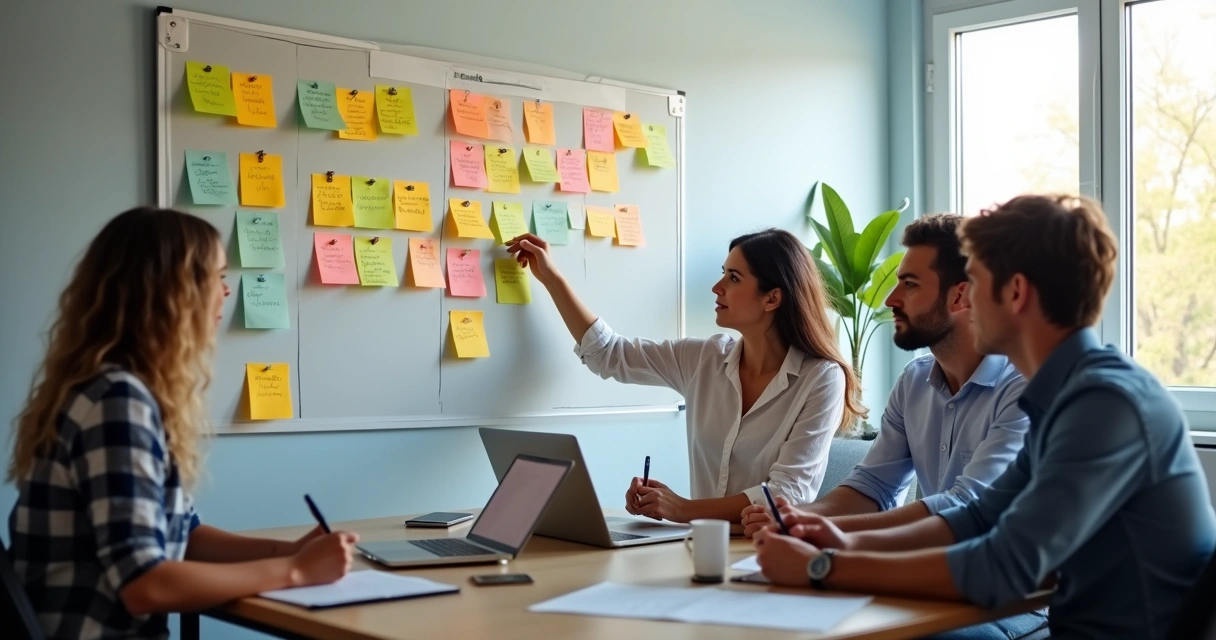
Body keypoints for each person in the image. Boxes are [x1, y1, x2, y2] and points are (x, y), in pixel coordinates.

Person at [753, 195, 1216, 639]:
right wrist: (841, 540)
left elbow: (1002, 565)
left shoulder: (1105, 403)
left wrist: (824, 567)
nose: (965, 302)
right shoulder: (1068, 394)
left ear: (1015, 292)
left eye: (973, 281)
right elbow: (977, 516)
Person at [7, 208, 358, 639]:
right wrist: (295, 571)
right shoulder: (116, 400)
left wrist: (291, 552)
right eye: (217, 276)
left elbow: (186, 536)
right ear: (174, 291)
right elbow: (145, 585)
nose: (226, 292)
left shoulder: (120, 392)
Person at [506, 228, 864, 523]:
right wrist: (551, 278)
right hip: (701, 549)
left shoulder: (822, 378)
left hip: (769, 554)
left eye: (733, 278)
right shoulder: (705, 357)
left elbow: (788, 492)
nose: (717, 287)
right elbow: (608, 355)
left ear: (771, 299)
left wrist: (682, 509)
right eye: (723, 273)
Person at [741, 214, 1029, 537]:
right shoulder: (914, 382)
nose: (891, 299)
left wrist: (822, 526)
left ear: (959, 297)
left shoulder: (1022, 388)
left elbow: (965, 504)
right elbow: (874, 485)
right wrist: (797, 517)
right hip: (928, 570)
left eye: (909, 285)